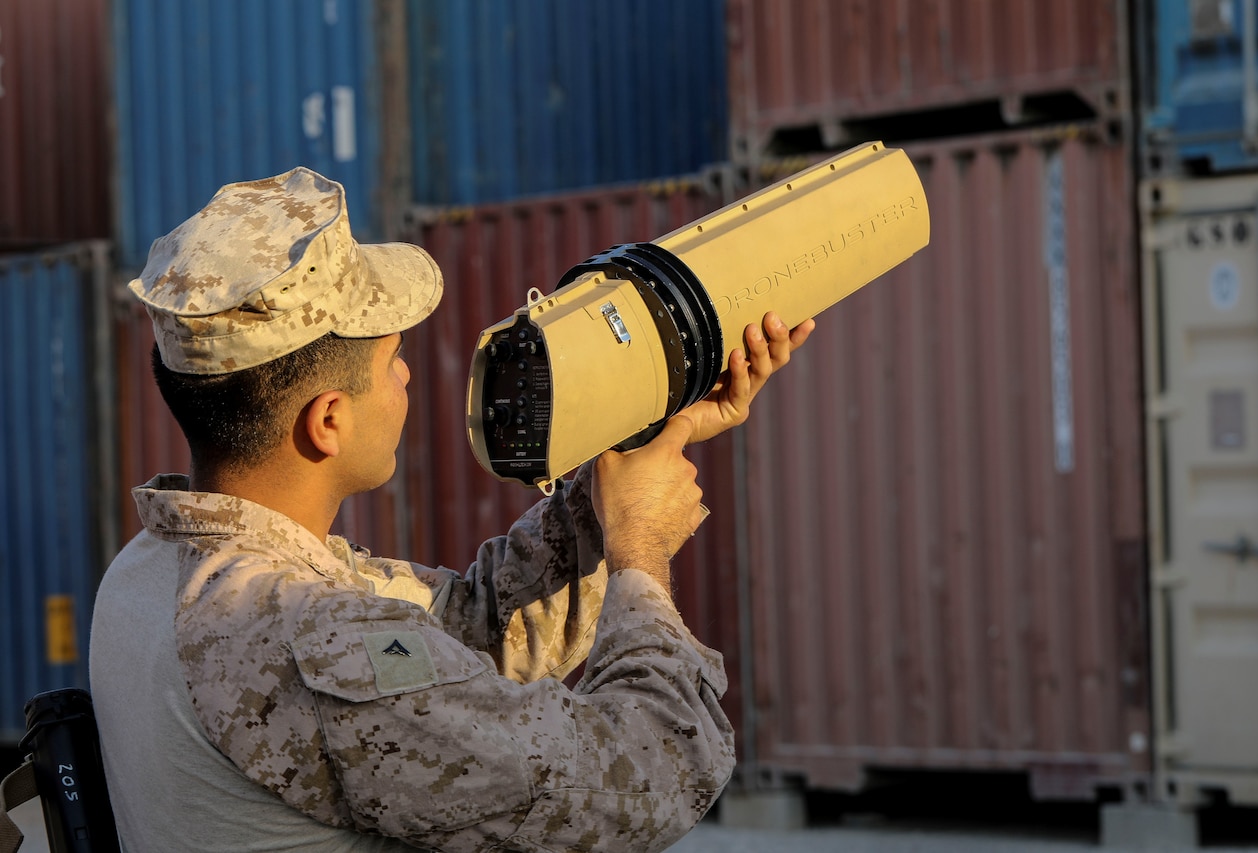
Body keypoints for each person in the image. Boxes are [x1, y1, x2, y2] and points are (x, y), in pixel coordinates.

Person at [89, 167, 814, 852]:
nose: (406, 374)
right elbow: (643, 780)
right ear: (328, 420)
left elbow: (467, 628)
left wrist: (638, 445)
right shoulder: (306, 636)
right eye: (392, 359)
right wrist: (641, 552)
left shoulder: (154, 571)